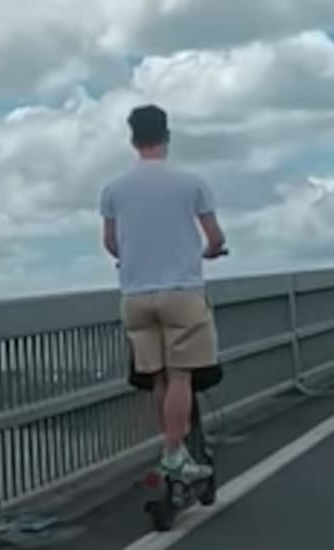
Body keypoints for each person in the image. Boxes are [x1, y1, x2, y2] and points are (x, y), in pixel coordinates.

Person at [99, 104, 226, 482]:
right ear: (166, 136)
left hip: (135, 295)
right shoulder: (191, 183)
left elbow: (111, 243)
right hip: (181, 292)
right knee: (181, 376)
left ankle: (174, 449)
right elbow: (215, 238)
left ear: (133, 139)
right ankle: (173, 454)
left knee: (157, 377)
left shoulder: (114, 189)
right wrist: (210, 251)